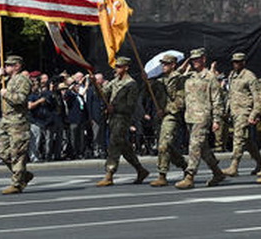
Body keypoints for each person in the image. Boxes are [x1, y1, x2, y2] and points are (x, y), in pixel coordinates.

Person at [175, 49, 226, 190]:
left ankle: (189, 176)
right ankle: (218, 173)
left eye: (198, 59)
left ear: (204, 59)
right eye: (193, 59)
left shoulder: (210, 77)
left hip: (202, 117)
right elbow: (173, 78)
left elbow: (217, 100)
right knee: (203, 150)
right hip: (190, 117)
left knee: (194, 146)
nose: (195, 61)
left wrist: (216, 120)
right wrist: (184, 65)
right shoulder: (189, 76)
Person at [96, 57, 149, 186]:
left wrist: (114, 108)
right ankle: (140, 170)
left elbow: (131, 106)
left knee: (114, 144)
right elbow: (103, 93)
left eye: (119, 66)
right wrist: (95, 84)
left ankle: (109, 173)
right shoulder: (115, 81)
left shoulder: (131, 84)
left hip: (123, 118)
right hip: (113, 118)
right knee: (124, 147)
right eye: (116, 66)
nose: (116, 69)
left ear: (126, 67)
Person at [0, 55, 33, 194]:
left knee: (17, 153)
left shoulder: (23, 80)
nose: (5, 67)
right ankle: (23, 174)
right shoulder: (5, 80)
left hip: (18, 121)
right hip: (6, 120)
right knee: (2, 152)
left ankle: (17, 184)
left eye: (8, 65)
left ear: (17, 66)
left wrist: (6, 94)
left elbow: (21, 99)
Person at [149, 54, 188, 187]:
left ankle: (162, 175)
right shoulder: (160, 80)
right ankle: (184, 165)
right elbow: (149, 92)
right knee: (168, 147)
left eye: (166, 64)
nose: (163, 66)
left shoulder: (179, 79)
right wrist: (146, 81)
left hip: (171, 116)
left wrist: (165, 110)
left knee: (164, 145)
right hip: (160, 117)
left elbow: (180, 101)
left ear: (173, 65)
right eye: (163, 64)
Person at [222, 53, 261, 177]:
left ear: (244, 62)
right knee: (247, 141)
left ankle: (234, 166)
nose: (236, 64)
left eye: (239, 62)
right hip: (234, 112)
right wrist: (227, 110)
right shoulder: (232, 75)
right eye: (234, 62)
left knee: (238, 138)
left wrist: (254, 113)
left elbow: (257, 97)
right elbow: (230, 94)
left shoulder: (249, 76)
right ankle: (260, 162)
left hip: (245, 112)